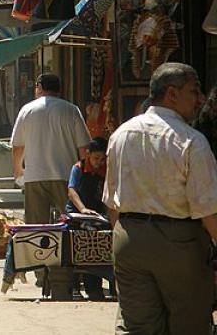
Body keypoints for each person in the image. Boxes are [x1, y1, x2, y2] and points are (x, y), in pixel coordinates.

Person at [104, 63, 217, 334]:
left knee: (139, 327)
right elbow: (208, 210)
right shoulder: (191, 141)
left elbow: (112, 202)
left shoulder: (121, 134)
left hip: (128, 240)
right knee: (189, 324)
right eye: (194, 90)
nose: (200, 99)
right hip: (180, 244)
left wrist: (124, 240)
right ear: (172, 94)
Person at [11, 73, 91, 225]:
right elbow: (84, 147)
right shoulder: (71, 110)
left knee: (36, 226)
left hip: (35, 176)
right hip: (65, 176)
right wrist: (84, 175)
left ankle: (37, 250)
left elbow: (18, 146)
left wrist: (18, 170)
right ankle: (67, 248)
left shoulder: (26, 110)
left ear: (40, 87)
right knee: (71, 222)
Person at [65, 137, 109, 301]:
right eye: (96, 158)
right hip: (76, 213)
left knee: (97, 249)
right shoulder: (78, 168)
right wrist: (82, 209)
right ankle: (74, 286)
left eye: (102, 159)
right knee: (74, 248)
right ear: (88, 155)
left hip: (97, 214)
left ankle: (94, 288)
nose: (99, 162)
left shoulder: (106, 170)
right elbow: (72, 191)